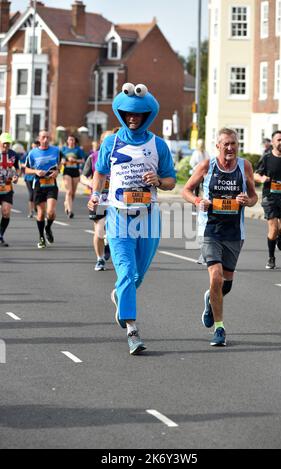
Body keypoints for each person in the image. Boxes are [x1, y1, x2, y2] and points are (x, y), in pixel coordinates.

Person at [88, 82, 176, 355]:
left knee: (137, 275)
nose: (133, 118)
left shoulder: (158, 145)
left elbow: (171, 181)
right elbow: (101, 172)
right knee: (125, 271)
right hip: (118, 216)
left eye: (138, 114)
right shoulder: (110, 142)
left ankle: (120, 294)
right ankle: (132, 330)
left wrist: (159, 181)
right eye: (128, 114)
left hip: (148, 218)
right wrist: (94, 194)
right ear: (122, 114)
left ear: (148, 114)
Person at [182, 128, 257, 347]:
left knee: (226, 285)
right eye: (226, 144)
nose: (231, 148)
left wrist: (247, 200)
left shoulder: (245, 167)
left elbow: (254, 197)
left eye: (234, 143)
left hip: (235, 232)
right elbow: (186, 190)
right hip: (211, 230)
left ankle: (209, 300)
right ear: (218, 146)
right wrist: (198, 202)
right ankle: (220, 328)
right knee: (215, 277)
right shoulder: (207, 166)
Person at [254, 130, 281, 269]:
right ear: (273, 142)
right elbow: (256, 174)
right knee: (272, 230)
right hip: (270, 198)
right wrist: (262, 178)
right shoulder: (266, 158)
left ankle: (280, 236)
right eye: (278, 140)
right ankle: (271, 258)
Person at [80, 130, 112, 271]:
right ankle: (100, 259)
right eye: (107, 140)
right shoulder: (93, 157)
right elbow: (83, 176)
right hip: (98, 200)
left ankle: (109, 244)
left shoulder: (121, 157)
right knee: (99, 231)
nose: (110, 143)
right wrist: (90, 183)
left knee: (115, 231)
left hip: (117, 200)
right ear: (101, 142)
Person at [25, 130, 61, 248]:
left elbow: (60, 164)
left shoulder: (56, 150)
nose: (45, 140)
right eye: (43, 137)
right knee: (40, 214)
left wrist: (57, 171)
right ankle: (41, 237)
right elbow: (26, 169)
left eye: (47, 137)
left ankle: (48, 227)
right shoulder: (32, 153)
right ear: (39, 139)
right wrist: (35, 171)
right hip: (39, 185)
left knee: (50, 212)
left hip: (52, 185)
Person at [0, 132, 20, 246]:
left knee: (6, 212)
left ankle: (1, 235)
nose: (6, 146)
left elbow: (17, 168)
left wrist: (16, 176)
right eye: (4, 143)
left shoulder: (13, 155)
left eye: (8, 143)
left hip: (7, 187)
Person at [61, 135, 85, 218]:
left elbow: (82, 160)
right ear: (67, 141)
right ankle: (70, 211)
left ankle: (66, 203)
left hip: (75, 171)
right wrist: (63, 161)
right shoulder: (63, 149)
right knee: (69, 191)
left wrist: (75, 160)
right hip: (67, 170)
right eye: (69, 139)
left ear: (74, 141)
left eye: (72, 139)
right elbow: (60, 160)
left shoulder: (78, 149)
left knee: (73, 193)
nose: (71, 141)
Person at [20, 140, 40, 218]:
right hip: (28, 177)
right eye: (33, 147)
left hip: (37, 177)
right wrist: (26, 165)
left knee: (36, 193)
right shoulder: (28, 153)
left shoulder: (40, 154)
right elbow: (20, 163)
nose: (34, 148)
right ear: (32, 146)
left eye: (36, 147)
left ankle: (35, 207)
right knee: (31, 193)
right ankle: (31, 211)